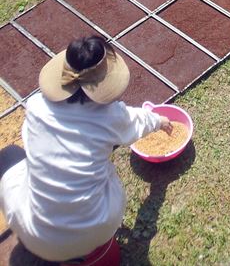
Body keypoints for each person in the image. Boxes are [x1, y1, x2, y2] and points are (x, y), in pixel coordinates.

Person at [0, 35, 172, 263]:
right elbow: (139, 121)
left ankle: (47, 245)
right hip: (97, 229)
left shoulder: (36, 107)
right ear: (105, 81)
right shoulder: (111, 116)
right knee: (107, 175)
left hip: (34, 233)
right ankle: (78, 249)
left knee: (10, 156)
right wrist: (160, 121)